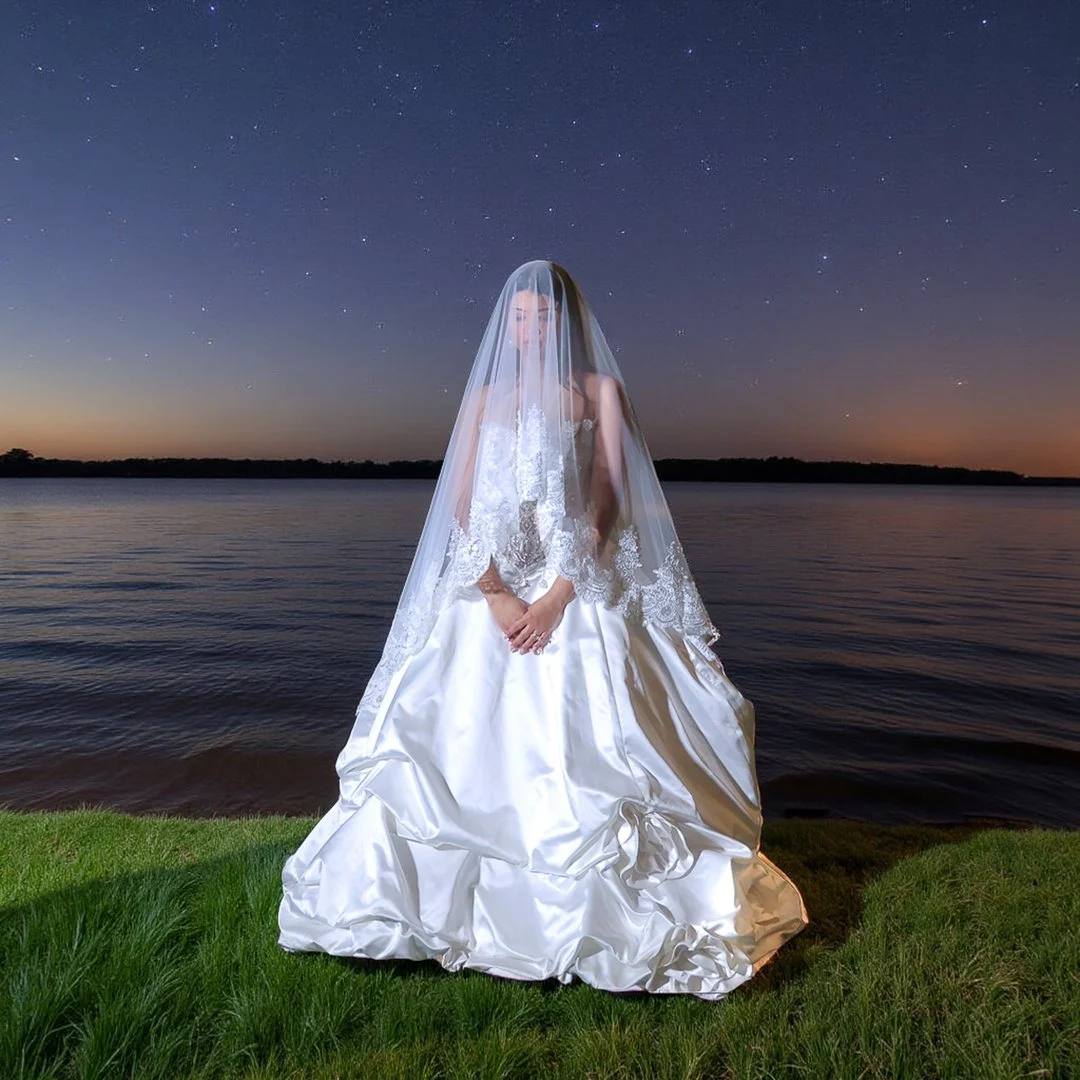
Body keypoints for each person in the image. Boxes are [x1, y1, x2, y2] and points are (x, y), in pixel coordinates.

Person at [277, 259, 809, 999]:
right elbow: (460, 508)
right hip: (493, 583)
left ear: (569, 322)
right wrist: (494, 596)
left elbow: (608, 501)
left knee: (605, 728)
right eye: (520, 316)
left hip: (572, 581)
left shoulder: (600, 395)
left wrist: (559, 597)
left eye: (544, 316)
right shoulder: (484, 400)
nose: (531, 328)